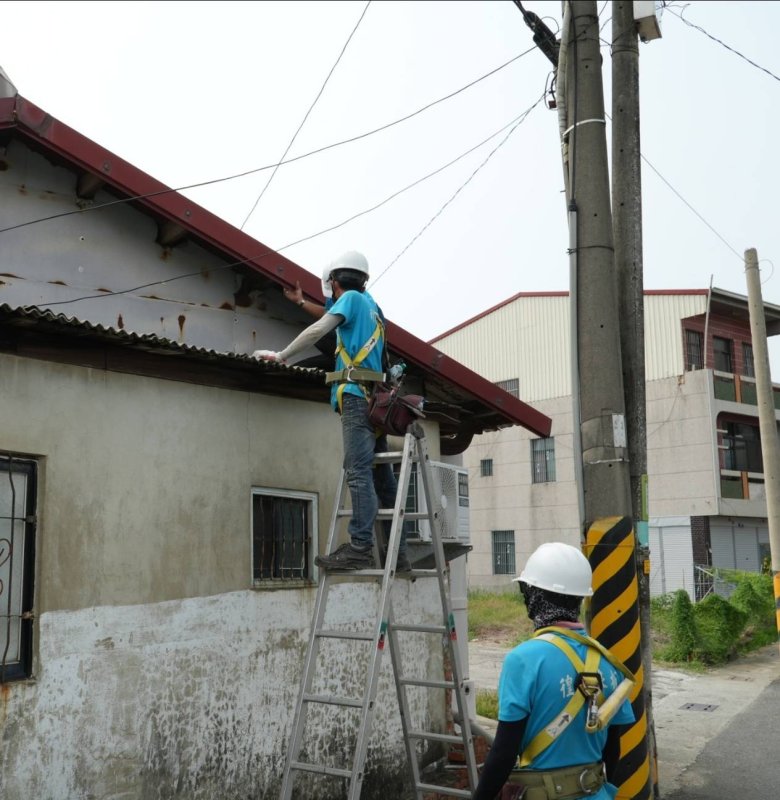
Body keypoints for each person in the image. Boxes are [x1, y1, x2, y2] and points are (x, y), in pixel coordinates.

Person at [253, 250, 410, 573]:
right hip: (375, 399)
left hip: (354, 397)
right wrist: (300, 302)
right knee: (383, 480)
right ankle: (400, 551)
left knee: (358, 471)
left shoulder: (350, 299)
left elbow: (319, 329)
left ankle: (360, 547)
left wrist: (282, 355)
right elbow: (329, 314)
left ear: (333, 282)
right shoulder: (372, 307)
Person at [472, 542, 636, 800]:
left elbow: (504, 752)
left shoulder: (523, 659)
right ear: (580, 598)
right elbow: (612, 749)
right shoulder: (608, 662)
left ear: (534, 595)